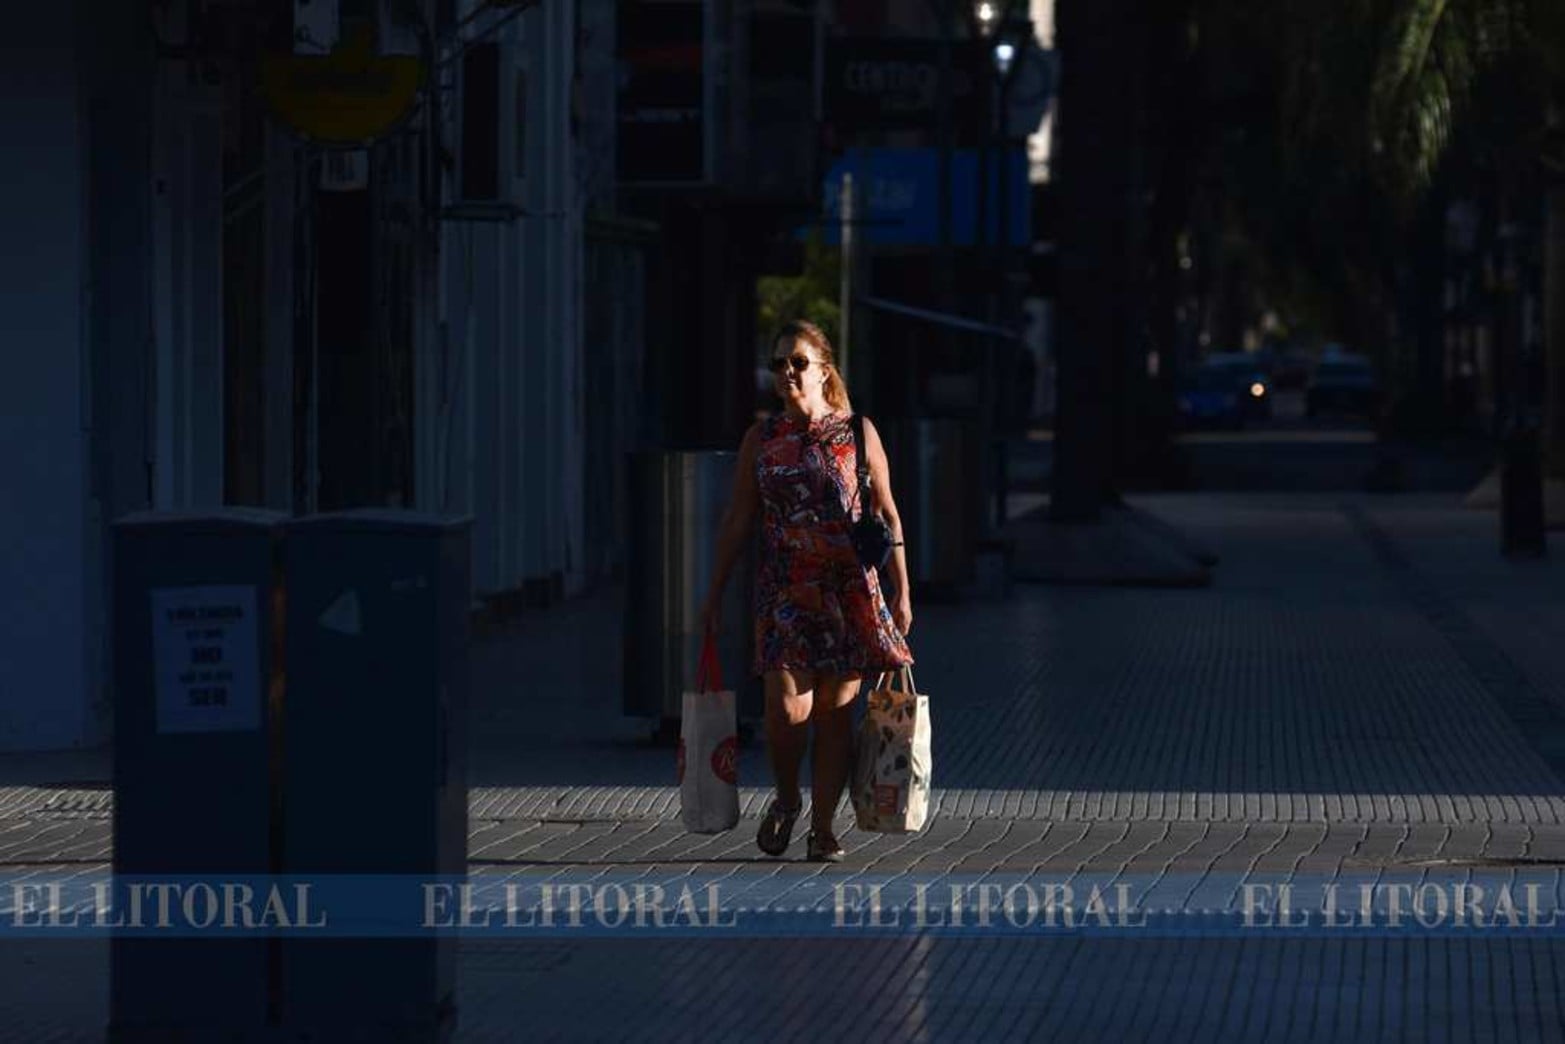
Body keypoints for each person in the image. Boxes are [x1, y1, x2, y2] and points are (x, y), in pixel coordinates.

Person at [701, 319, 914, 862]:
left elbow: (888, 514)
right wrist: (713, 593)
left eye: (797, 362)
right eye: (778, 364)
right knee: (785, 708)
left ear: (824, 369)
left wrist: (902, 592)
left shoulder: (858, 431)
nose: (787, 373)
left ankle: (823, 827)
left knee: (835, 716)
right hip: (785, 592)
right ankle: (788, 798)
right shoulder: (762, 438)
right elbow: (737, 520)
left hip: (848, 593)